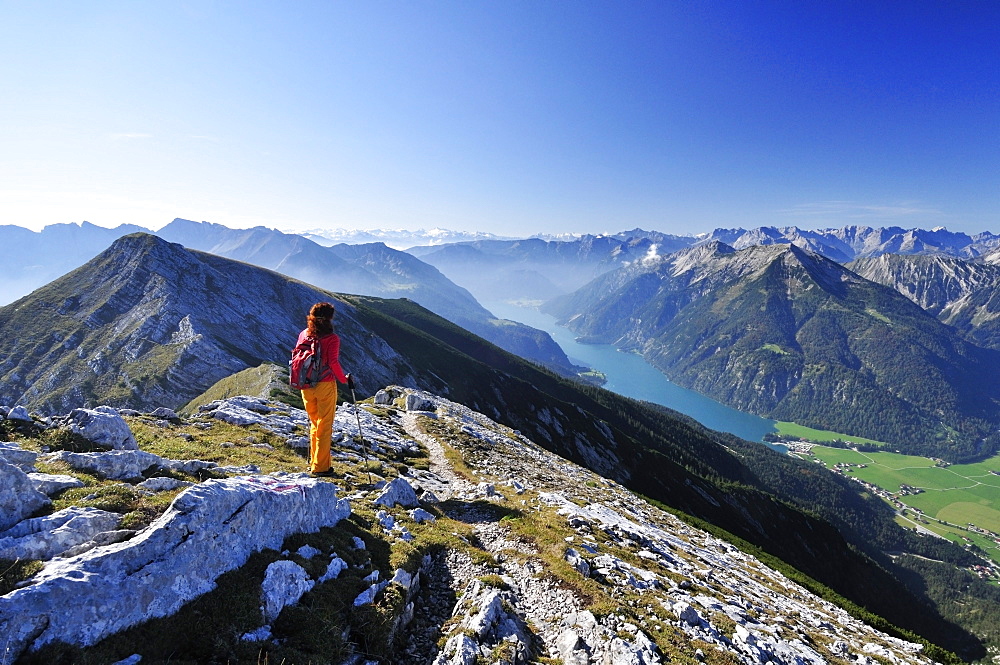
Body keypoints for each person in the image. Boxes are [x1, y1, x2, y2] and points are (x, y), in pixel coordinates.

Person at [297, 301, 353, 477]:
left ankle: (315, 463)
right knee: (324, 425)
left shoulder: (304, 334)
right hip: (325, 385)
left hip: (305, 385)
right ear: (329, 319)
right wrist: (344, 380)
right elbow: (333, 362)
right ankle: (321, 468)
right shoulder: (332, 339)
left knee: (315, 424)